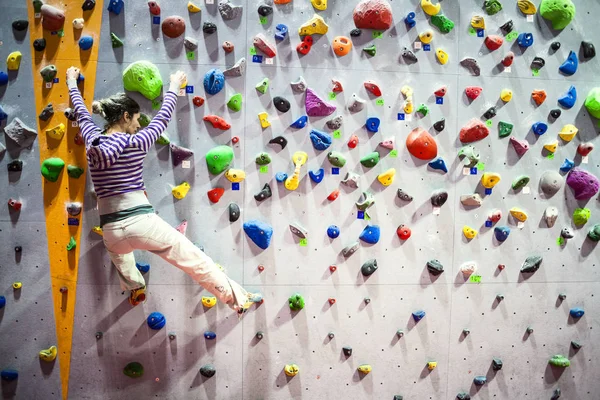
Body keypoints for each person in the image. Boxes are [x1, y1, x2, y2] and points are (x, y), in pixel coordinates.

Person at [66, 66, 261, 314]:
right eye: (135, 120)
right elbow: (163, 117)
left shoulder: (92, 139)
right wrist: (174, 84)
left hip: (111, 230)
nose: (138, 125)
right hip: (140, 221)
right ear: (125, 116)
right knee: (193, 259)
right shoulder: (138, 141)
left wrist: (71, 82)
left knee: (121, 257)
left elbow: (82, 114)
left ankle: (135, 287)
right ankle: (238, 300)